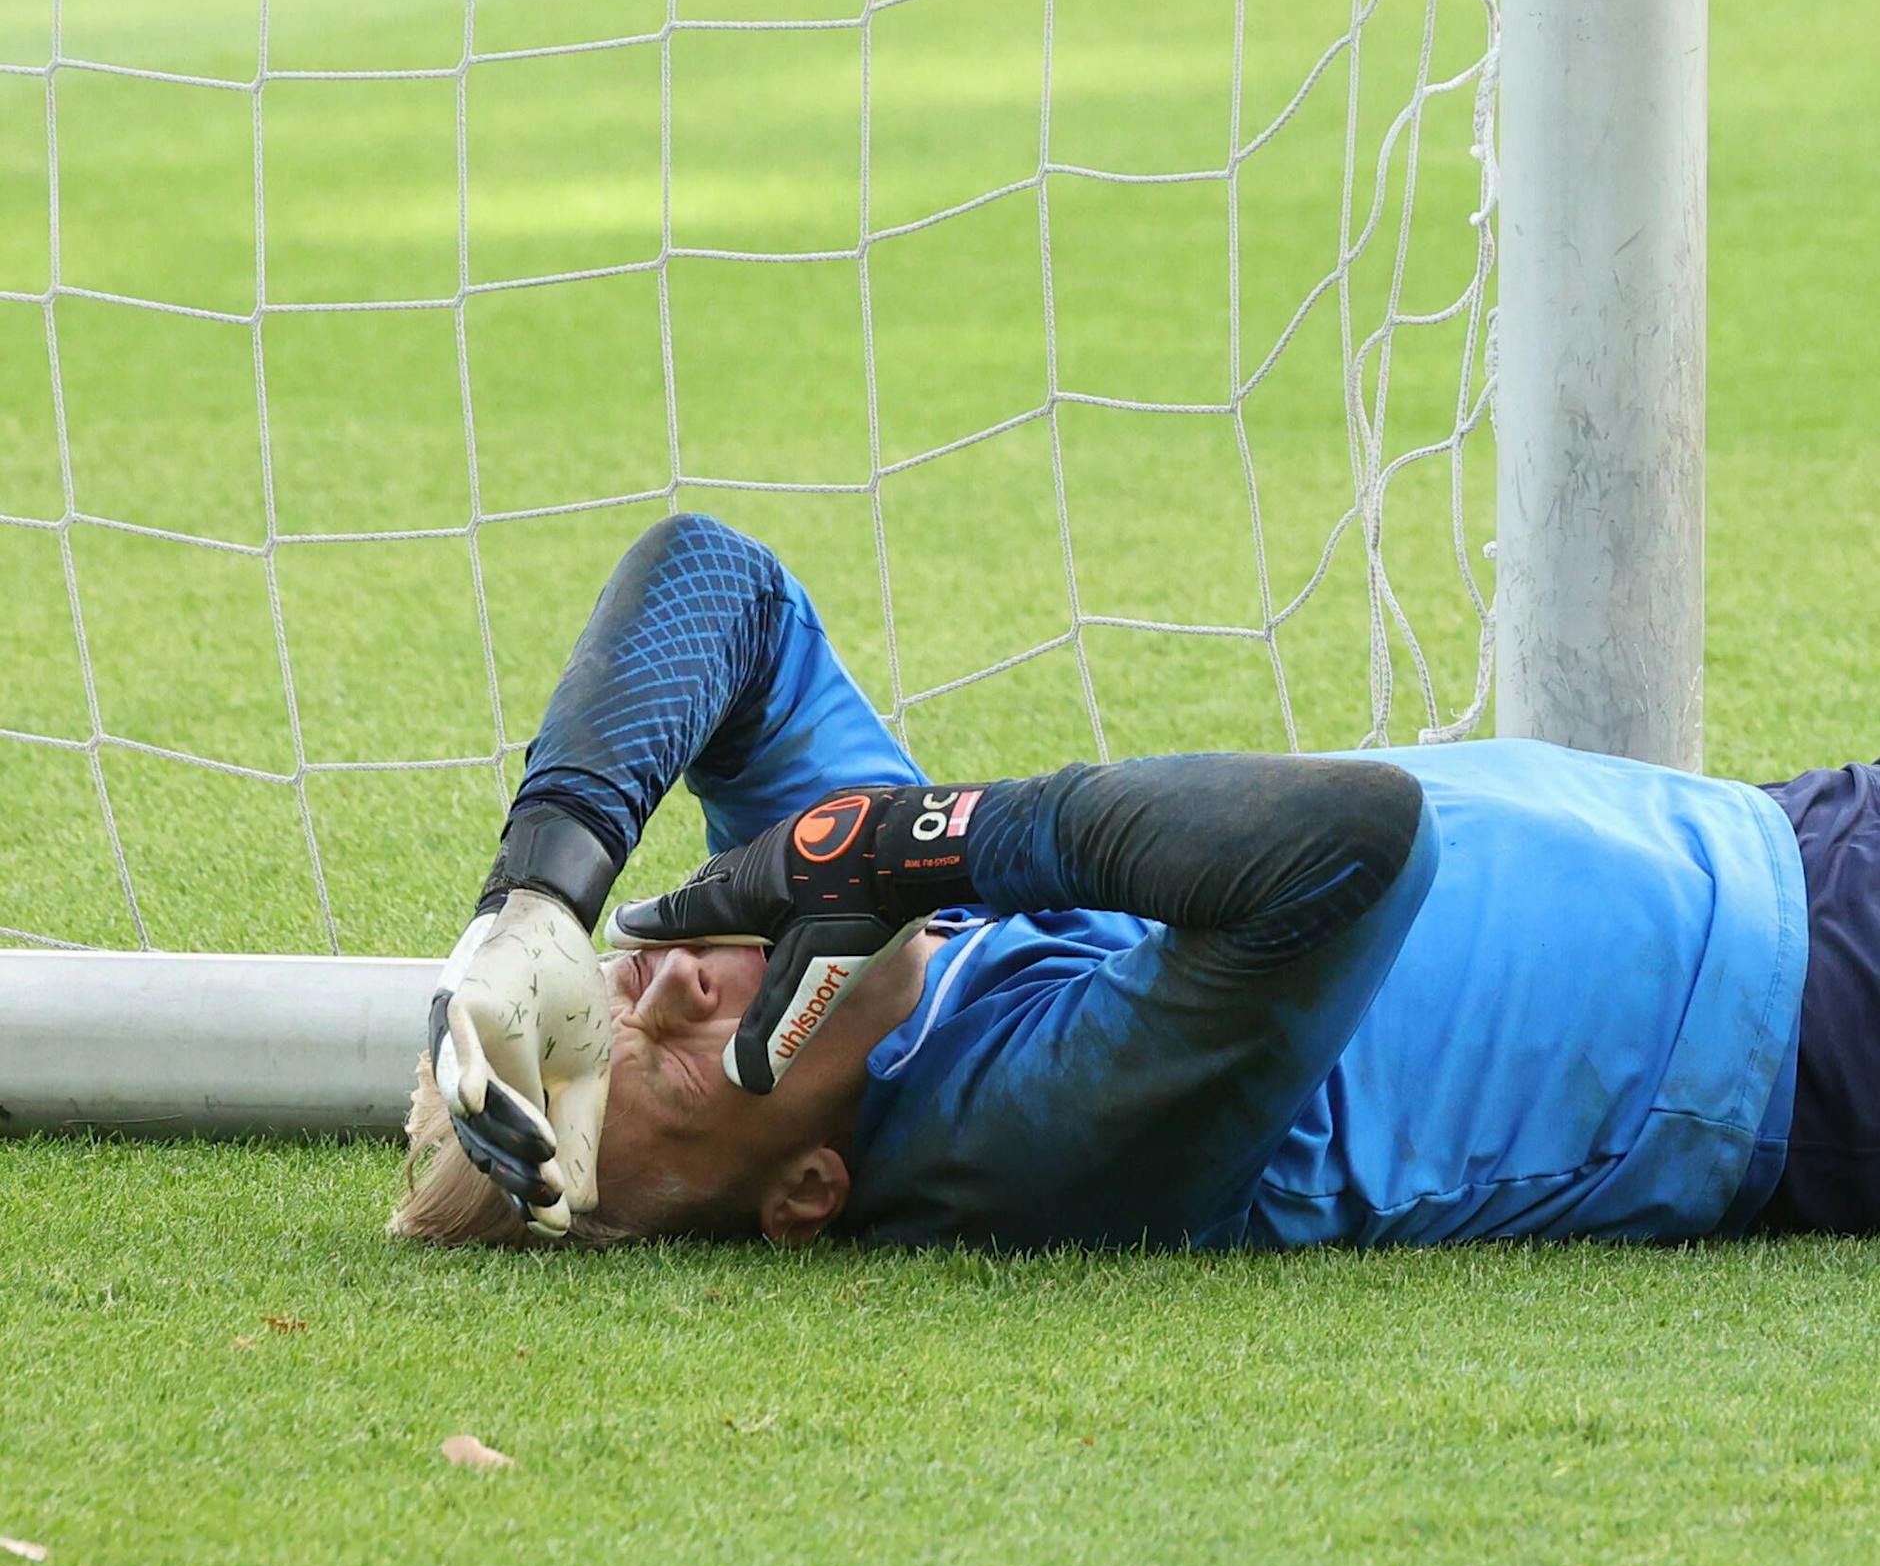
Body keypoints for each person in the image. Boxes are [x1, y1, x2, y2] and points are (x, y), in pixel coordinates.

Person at [395, 513, 1879, 1253]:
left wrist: (539, 895)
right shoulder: (1022, 1128)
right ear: (808, 1188)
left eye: (608, 1007)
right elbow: (1349, 845)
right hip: (1821, 1038)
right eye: (672, 1063)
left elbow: (716, 580)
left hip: (1785, 838)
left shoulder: (859, 980)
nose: (660, 988)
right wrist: (929, 841)